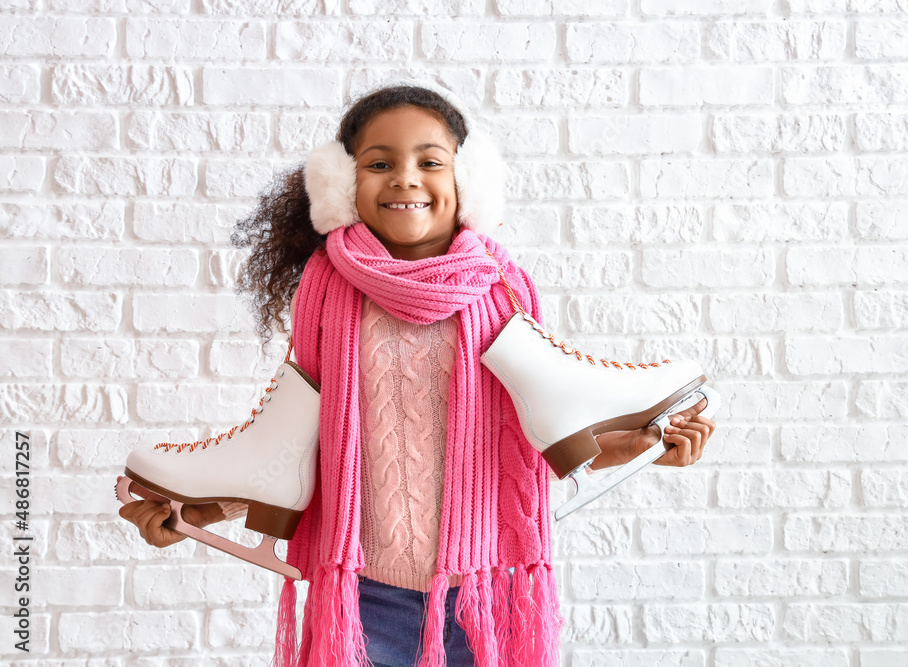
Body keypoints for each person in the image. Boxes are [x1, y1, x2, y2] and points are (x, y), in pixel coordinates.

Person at [118, 80, 716, 667]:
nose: (405, 177)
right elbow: (299, 442)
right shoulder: (329, 293)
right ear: (342, 184)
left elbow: (530, 438)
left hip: (481, 589)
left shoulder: (500, 293)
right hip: (363, 593)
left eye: (430, 161)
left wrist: (636, 449)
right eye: (380, 162)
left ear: (467, 180)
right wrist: (200, 511)